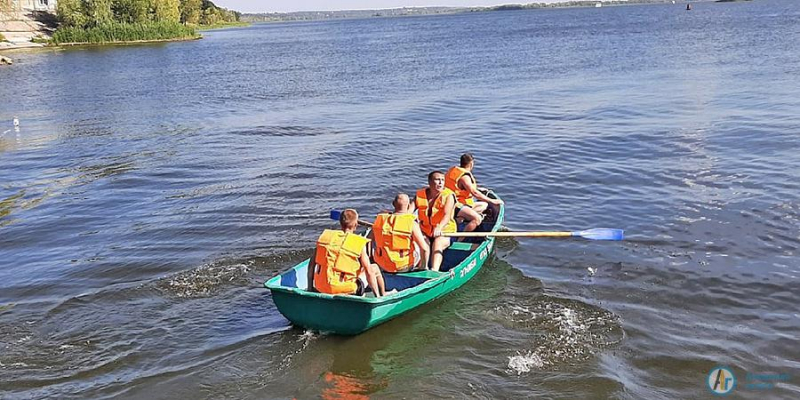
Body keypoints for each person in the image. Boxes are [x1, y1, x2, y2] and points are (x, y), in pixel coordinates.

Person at [307, 209, 385, 297]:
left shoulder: (325, 239)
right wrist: (376, 296)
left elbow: (311, 265)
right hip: (346, 289)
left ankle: (314, 289)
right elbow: (369, 271)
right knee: (374, 268)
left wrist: (310, 288)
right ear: (356, 225)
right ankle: (381, 296)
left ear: (340, 223)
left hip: (321, 287)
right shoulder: (358, 243)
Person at [445, 153, 504, 232]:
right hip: (459, 204)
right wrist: (492, 200)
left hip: (448, 201)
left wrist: (479, 188)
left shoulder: (453, 170)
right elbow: (474, 193)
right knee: (484, 205)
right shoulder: (464, 177)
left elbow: (457, 186)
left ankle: (461, 217)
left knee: (480, 205)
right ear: (471, 163)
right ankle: (462, 235)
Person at [372, 193, 430, 273]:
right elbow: (424, 249)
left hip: (382, 264)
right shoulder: (412, 223)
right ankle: (423, 266)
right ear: (409, 206)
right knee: (425, 242)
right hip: (403, 266)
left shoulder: (380, 220)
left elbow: (370, 240)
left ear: (393, 204)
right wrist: (423, 267)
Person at [413, 171, 457, 271]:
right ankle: (423, 266)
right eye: (437, 180)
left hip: (445, 231)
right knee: (423, 242)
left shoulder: (449, 196)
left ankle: (434, 270)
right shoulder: (420, 195)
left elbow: (447, 215)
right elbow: (408, 211)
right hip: (426, 230)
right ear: (430, 182)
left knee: (438, 243)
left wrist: (439, 227)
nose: (441, 183)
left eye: (442, 180)